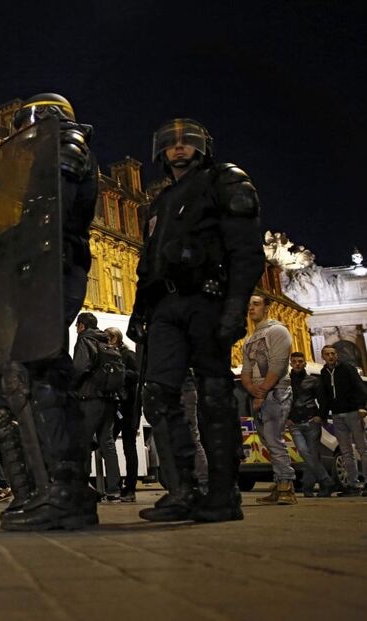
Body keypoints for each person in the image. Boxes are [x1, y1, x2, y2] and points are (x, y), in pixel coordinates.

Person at [128, 118, 264, 523]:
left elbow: (246, 250)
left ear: (202, 147)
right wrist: (139, 310)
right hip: (164, 305)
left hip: (206, 297)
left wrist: (235, 305)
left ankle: (222, 495)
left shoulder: (223, 180)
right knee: (158, 393)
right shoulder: (162, 201)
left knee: (214, 394)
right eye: (171, 144)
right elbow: (147, 262)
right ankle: (181, 489)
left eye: (187, 142)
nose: (179, 148)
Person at [0, 93, 100, 531]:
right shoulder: (43, 162)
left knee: (43, 374)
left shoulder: (66, 148)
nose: (22, 137)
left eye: (30, 125)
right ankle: (56, 486)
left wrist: (13, 240)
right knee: (38, 374)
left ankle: (65, 490)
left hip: (55, 268)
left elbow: (54, 215)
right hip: (44, 271)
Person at [241, 295, 295, 505]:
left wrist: (261, 391)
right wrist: (252, 389)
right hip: (261, 393)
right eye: (249, 305)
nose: (251, 308)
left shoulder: (278, 330)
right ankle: (280, 481)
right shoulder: (250, 339)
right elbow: (246, 371)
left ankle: (286, 486)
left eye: (256, 304)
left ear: (267, 307)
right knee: (267, 441)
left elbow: (279, 365)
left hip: (276, 391)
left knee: (274, 439)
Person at [73, 313, 122, 502]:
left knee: (84, 442)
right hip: (109, 398)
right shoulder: (105, 341)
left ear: (82, 326)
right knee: (107, 443)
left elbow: (80, 367)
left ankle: (83, 487)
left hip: (90, 398)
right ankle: (114, 489)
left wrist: (72, 386)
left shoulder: (85, 340)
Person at [319, 345, 367, 496]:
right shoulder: (324, 372)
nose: (331, 356)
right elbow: (325, 396)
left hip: (353, 412)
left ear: (337, 355)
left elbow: (359, 387)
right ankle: (352, 485)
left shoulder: (347, 368)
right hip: (337, 415)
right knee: (346, 451)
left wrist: (362, 406)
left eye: (333, 353)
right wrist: (324, 415)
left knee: (362, 449)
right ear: (323, 357)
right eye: (327, 354)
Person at [288, 352, 333, 497]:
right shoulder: (285, 382)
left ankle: (307, 488)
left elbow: (323, 400)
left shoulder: (313, 381)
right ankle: (326, 481)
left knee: (312, 455)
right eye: (294, 361)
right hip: (294, 423)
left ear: (304, 363)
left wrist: (320, 415)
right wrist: (286, 417)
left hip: (311, 420)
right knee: (305, 453)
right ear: (290, 363)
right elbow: (283, 401)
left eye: (300, 361)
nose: (297, 364)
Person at [106, 327, 139, 502]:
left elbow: (136, 376)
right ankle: (116, 484)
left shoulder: (128, 355)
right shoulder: (110, 355)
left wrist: (120, 372)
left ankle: (130, 487)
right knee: (108, 443)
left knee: (129, 446)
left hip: (129, 407)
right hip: (116, 406)